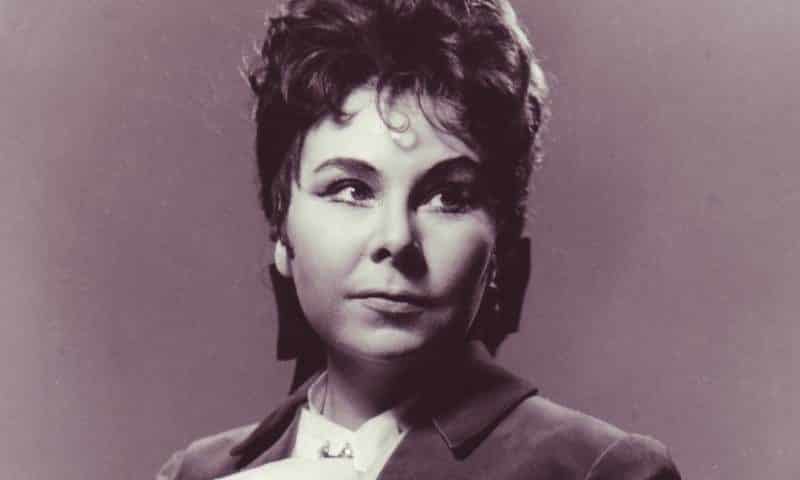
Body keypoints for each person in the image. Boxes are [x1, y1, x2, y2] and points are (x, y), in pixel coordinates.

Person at [156, 0, 682, 478]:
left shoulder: (601, 471)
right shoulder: (195, 474)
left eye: (448, 197)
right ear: (282, 228)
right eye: (350, 190)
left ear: (498, 246)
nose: (396, 238)